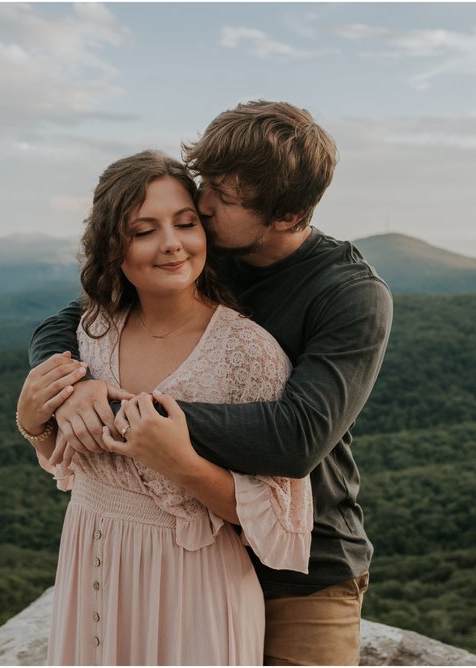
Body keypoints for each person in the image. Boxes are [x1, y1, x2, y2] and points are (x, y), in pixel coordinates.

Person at [23, 101, 393, 665]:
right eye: (207, 183)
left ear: (288, 215)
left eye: (226, 196)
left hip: (306, 567)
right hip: (191, 550)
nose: (203, 203)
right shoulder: (203, 250)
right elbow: (70, 321)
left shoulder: (348, 294)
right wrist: (71, 388)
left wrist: (137, 418)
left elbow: (296, 439)